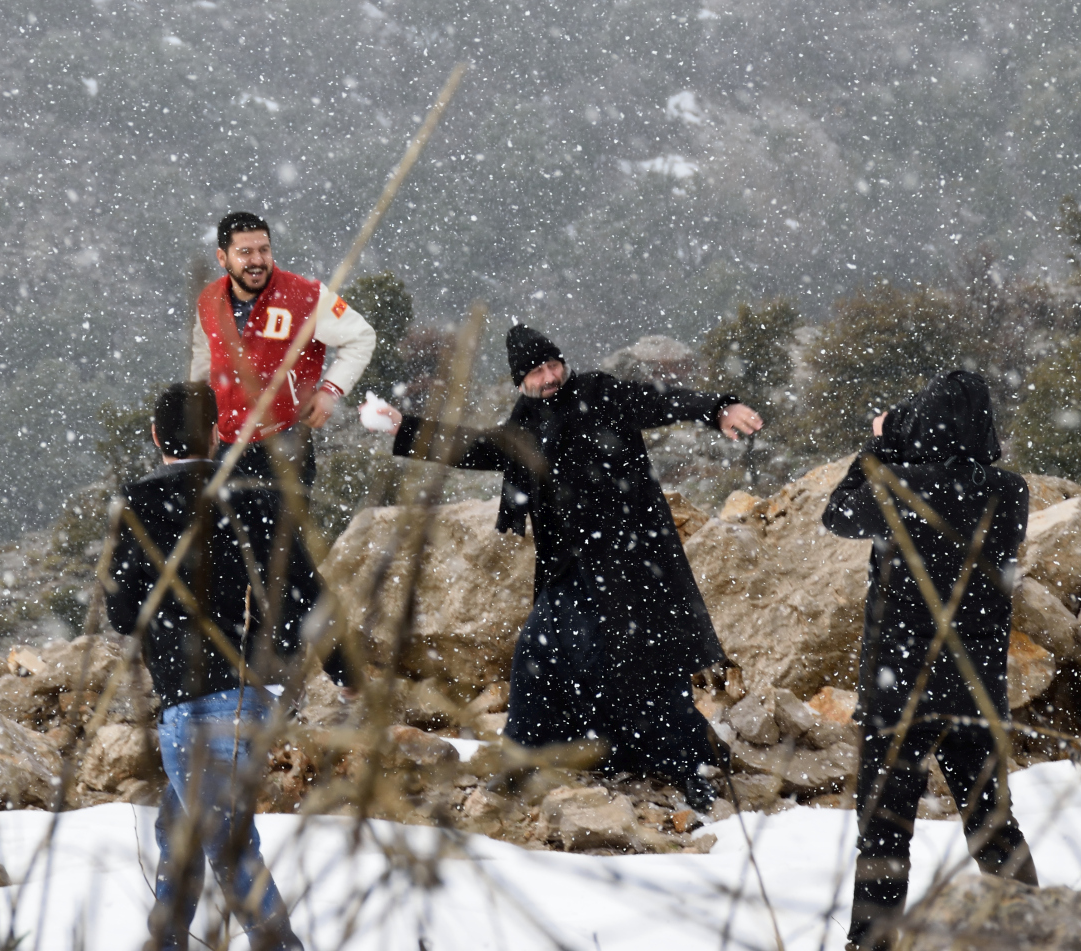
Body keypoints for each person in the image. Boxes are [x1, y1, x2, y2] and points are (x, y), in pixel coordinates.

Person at [363, 322, 763, 812]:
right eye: (536, 371)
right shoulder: (522, 429)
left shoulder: (601, 392)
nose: (550, 376)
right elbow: (472, 447)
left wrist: (716, 408)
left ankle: (687, 768)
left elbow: (659, 400)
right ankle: (524, 761)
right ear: (520, 382)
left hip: (633, 563)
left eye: (553, 364)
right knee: (541, 653)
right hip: (570, 571)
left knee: (647, 665)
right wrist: (404, 427)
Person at [105, 382, 349, 951]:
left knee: (226, 845)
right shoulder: (250, 492)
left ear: (155, 437)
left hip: (189, 703)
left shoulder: (139, 502)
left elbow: (120, 613)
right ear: (217, 433)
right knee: (179, 828)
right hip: (248, 693)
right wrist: (342, 670)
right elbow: (301, 591)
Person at [821, 371, 1038, 951]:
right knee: (991, 823)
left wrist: (881, 442)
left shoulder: (896, 487)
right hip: (976, 685)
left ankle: (871, 943)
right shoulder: (1009, 491)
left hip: (901, 687)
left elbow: (836, 513)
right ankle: (1037, 930)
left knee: (884, 832)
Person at [191, 211, 376, 490]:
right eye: (245, 252)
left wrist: (330, 392)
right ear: (222, 258)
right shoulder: (208, 300)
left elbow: (361, 336)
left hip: (286, 443)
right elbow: (203, 359)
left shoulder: (306, 295)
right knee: (230, 533)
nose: (257, 260)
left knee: (285, 533)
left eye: (263, 250)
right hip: (226, 448)